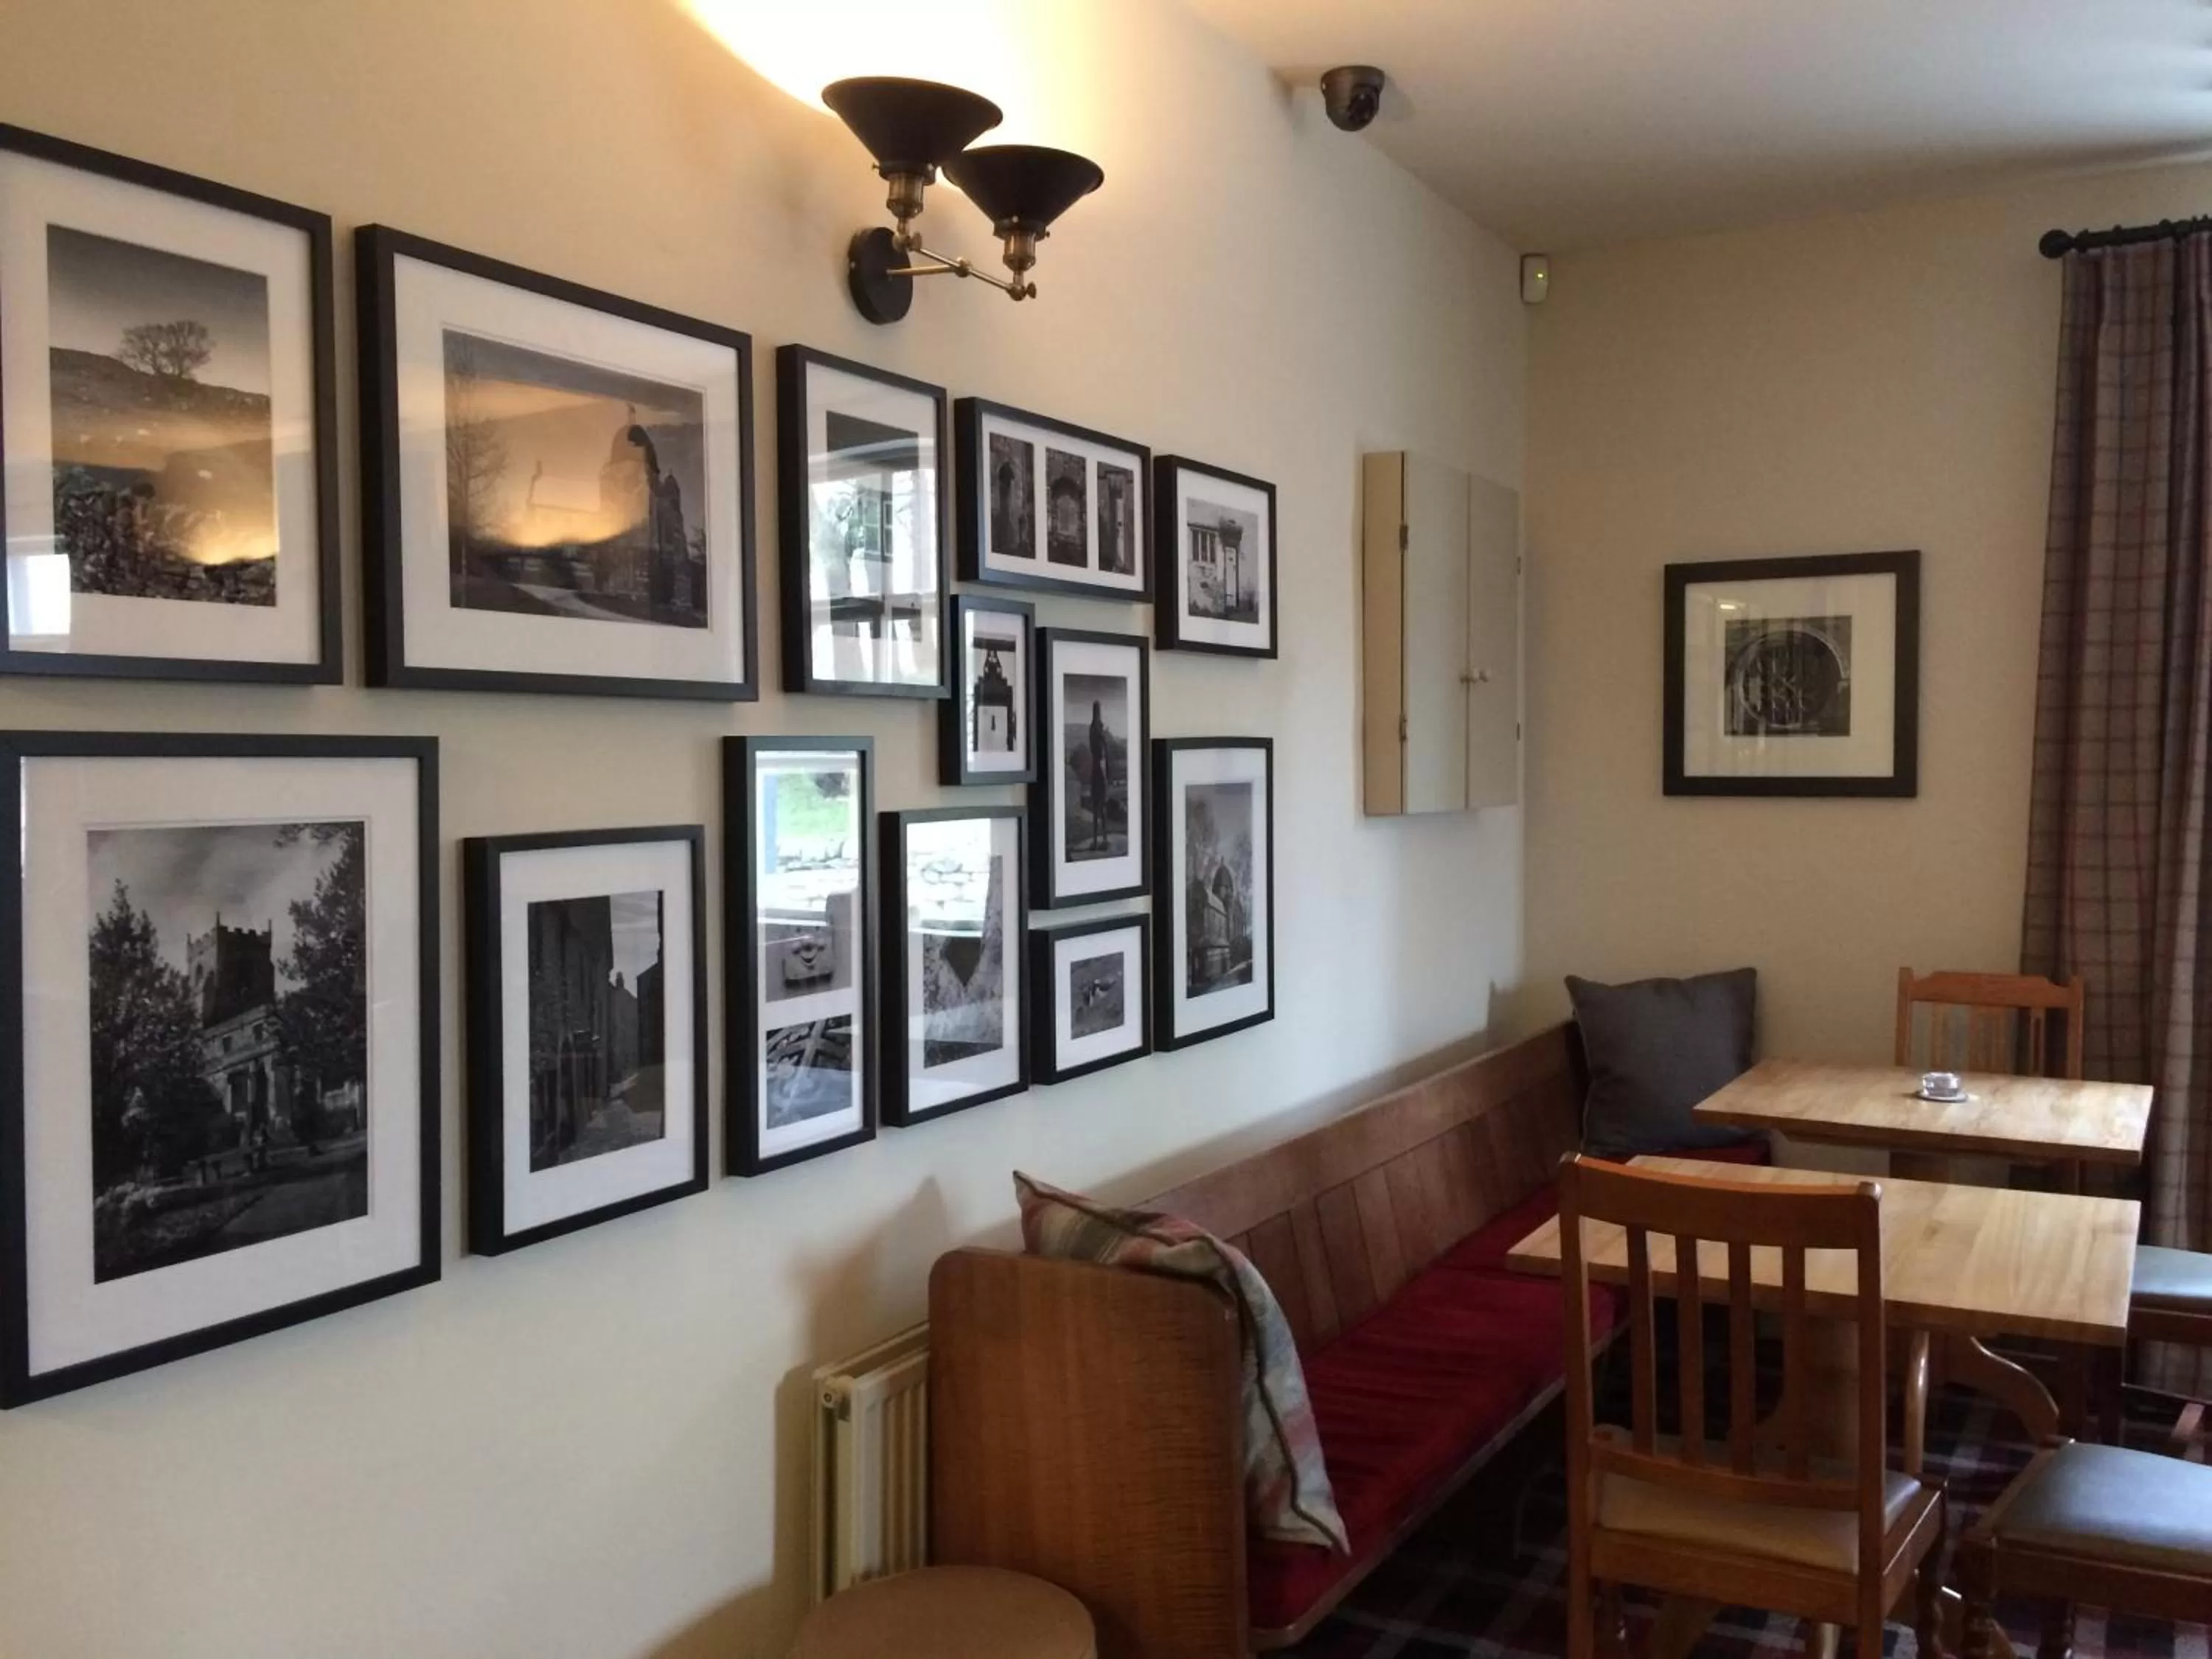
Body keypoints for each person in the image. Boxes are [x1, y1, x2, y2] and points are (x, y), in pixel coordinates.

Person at [1085, 700, 1113, 850]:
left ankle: (1100, 840)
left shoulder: (1095, 729)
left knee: (1100, 810)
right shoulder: (1096, 730)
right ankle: (1100, 840)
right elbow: (1100, 751)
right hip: (1099, 775)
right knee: (1100, 810)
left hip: (1098, 775)